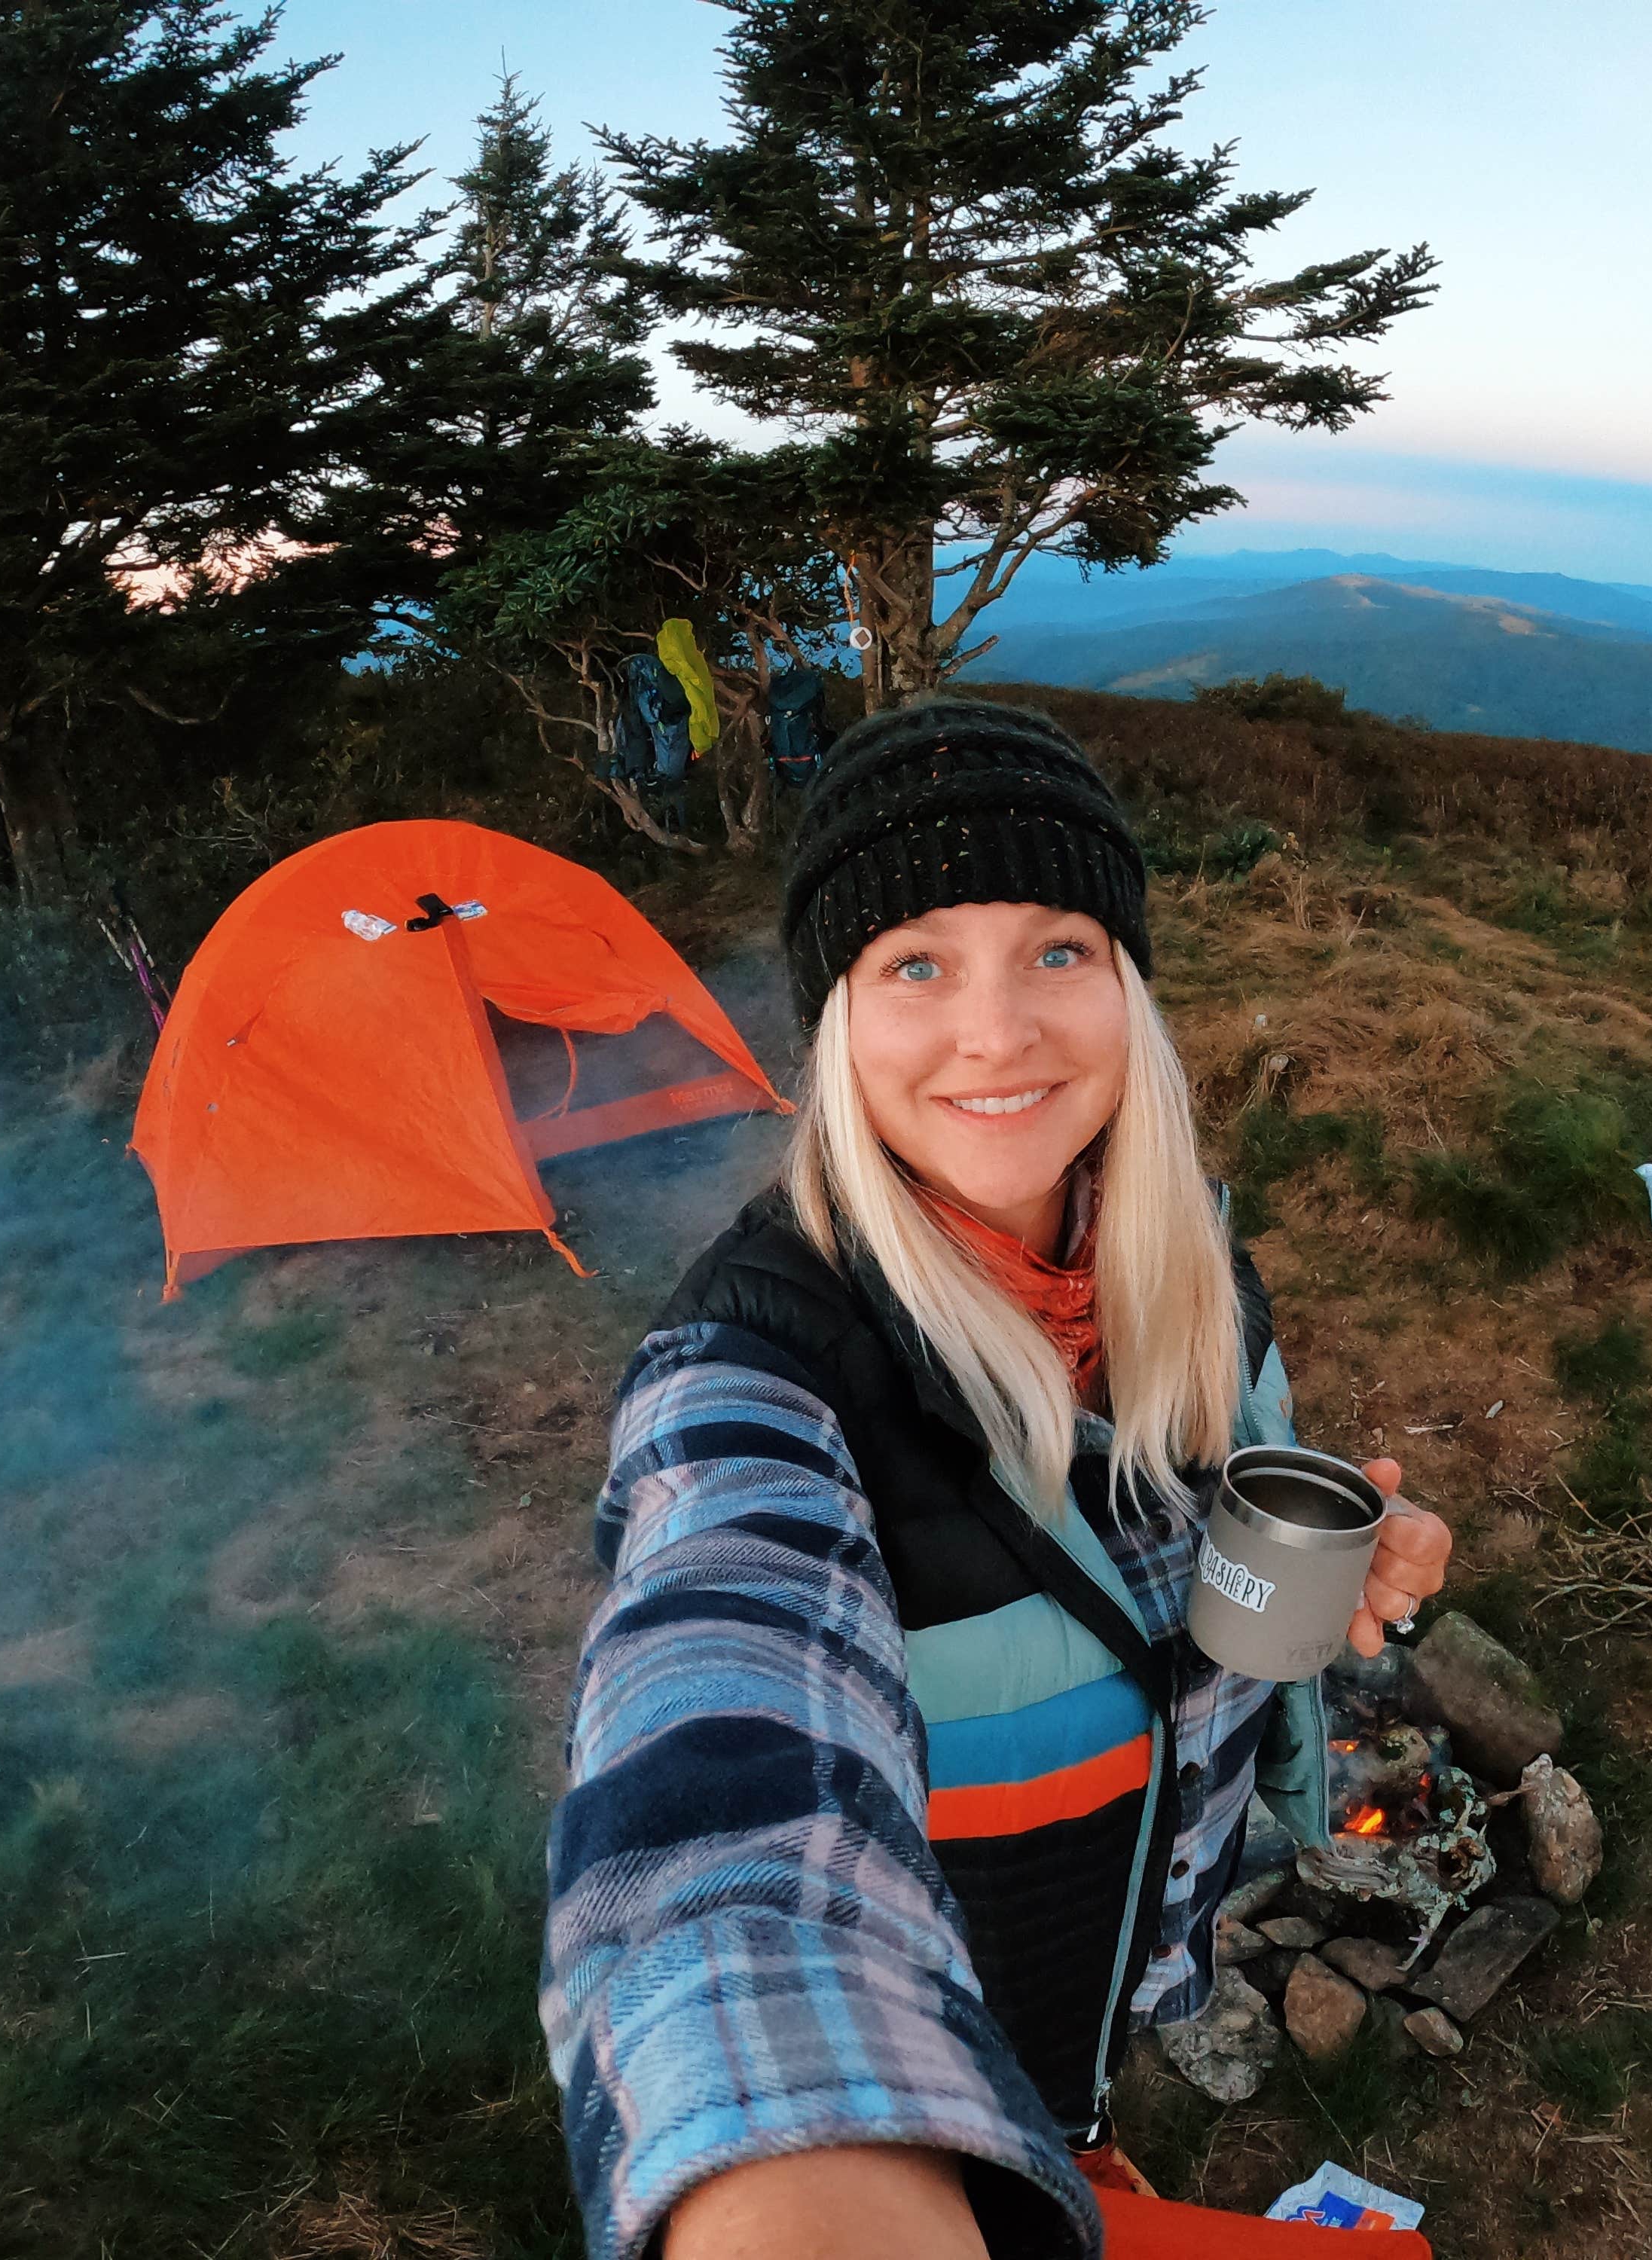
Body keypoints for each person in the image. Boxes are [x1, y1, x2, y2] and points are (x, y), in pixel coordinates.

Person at [541, 700, 1455, 2260]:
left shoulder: (1189, 1271)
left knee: (1074, 2126)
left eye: (1056, 950)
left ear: (1127, 989)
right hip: (934, 2024)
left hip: (1103, 1954)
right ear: (836, 1018)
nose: (996, 1032)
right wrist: (791, 2189)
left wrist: (1326, 1565)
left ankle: (1086, 2126)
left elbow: (1171, 1559)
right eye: (915, 963)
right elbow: (715, 1814)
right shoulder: (751, 1382)